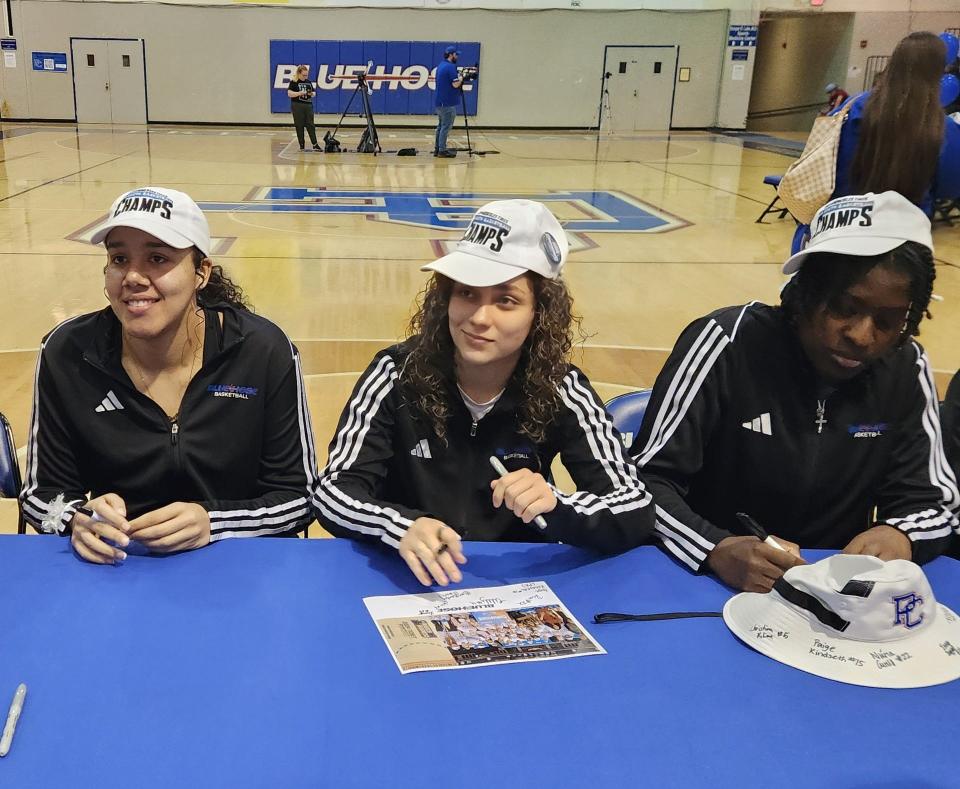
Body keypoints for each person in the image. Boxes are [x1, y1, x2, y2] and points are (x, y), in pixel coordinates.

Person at [313, 199, 655, 586]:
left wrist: (560, 506)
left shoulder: (563, 387)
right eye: (467, 293)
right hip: (406, 577)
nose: (478, 318)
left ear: (539, 313)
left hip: (515, 582)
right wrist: (399, 525)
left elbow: (634, 505)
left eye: (506, 300)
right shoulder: (395, 371)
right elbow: (333, 491)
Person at [632, 191, 959, 592]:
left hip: (834, 598)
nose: (861, 335)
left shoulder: (907, 367)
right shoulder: (726, 342)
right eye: (844, 308)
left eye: (888, 320)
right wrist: (714, 547)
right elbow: (645, 480)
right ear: (807, 292)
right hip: (704, 581)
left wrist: (901, 535)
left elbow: (934, 502)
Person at [19, 187, 317, 563]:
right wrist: (77, 519)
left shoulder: (262, 350)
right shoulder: (68, 352)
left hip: (239, 565)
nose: (133, 277)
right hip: (119, 566)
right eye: (119, 258)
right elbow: (41, 494)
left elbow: (299, 498)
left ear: (201, 273)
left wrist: (214, 522)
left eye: (158, 258)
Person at [833, 32, 960, 216]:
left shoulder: (852, 107)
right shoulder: (939, 124)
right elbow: (951, 186)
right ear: (937, 73)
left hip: (841, 218)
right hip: (905, 227)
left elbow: (826, 159)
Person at [434, 46, 463, 158]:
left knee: (441, 126)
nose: (457, 57)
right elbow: (455, 84)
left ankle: (438, 148)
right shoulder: (450, 67)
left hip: (439, 102)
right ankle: (442, 150)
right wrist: (461, 79)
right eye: (456, 55)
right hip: (447, 103)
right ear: (451, 55)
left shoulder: (441, 65)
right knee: (446, 126)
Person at [287, 64, 320, 152]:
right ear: (299, 73)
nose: (305, 76)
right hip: (297, 105)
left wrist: (312, 94)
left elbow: (313, 92)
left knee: (310, 125)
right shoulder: (294, 82)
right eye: (303, 75)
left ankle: (315, 144)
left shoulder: (308, 82)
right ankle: (302, 145)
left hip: (308, 105)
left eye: (307, 75)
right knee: (299, 125)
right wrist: (299, 93)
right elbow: (289, 93)